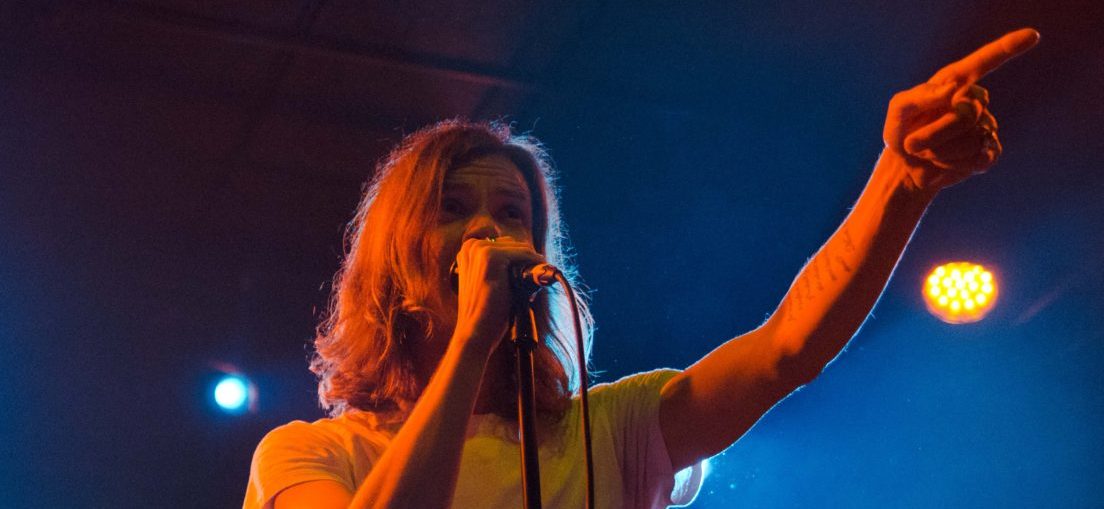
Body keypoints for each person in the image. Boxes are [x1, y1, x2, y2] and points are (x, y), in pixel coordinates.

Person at [243, 29, 1039, 509]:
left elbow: (786, 350)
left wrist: (902, 181)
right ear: (392, 259)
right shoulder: (310, 455)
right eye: (453, 207)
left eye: (512, 213)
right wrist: (472, 343)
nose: (487, 228)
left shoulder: (605, 433)